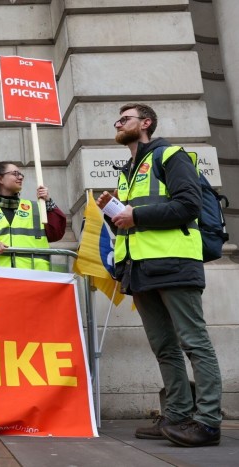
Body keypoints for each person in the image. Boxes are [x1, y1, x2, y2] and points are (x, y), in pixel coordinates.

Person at [97, 103, 222, 447]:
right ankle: (178, 415)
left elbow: (188, 206)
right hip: (140, 268)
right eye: (118, 120)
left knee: (194, 342)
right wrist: (113, 213)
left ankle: (208, 421)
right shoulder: (128, 170)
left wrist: (135, 215)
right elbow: (131, 220)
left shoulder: (171, 155)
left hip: (175, 263)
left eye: (125, 119)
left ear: (145, 123)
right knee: (164, 347)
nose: (118, 124)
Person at [0, 161, 65, 269]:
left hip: (34, 277)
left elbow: (56, 233)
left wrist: (48, 202)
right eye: (15, 174)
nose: (20, 177)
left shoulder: (37, 207)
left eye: (21, 174)